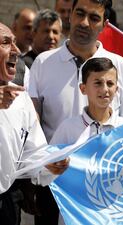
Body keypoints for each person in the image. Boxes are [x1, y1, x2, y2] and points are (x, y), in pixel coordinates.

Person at [27, 0, 123, 224]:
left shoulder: (118, 66)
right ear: (69, 15)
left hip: (106, 194)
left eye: (94, 18)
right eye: (79, 14)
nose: (84, 22)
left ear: (104, 25)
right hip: (54, 187)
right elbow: (31, 126)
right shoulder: (43, 63)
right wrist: (40, 168)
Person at [0, 21, 68, 225]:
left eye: (14, 42)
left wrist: (50, 165)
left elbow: (33, 151)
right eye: (5, 42)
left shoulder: (20, 97)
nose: (17, 50)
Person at [51, 57, 123, 145]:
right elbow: (53, 157)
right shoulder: (67, 129)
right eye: (98, 83)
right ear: (83, 89)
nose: (104, 89)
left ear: (116, 89)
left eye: (110, 84)